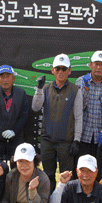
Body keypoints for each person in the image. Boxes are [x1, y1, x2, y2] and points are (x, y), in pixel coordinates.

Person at [31, 53, 83, 190]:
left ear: (69, 71)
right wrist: (39, 89)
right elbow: (35, 107)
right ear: (52, 70)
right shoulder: (45, 88)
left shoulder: (75, 90)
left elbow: (78, 117)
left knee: (67, 176)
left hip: (66, 142)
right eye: (57, 69)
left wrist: (76, 140)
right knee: (48, 174)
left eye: (64, 69)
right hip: (47, 140)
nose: (60, 72)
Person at [75, 51, 102, 181]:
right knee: (81, 172)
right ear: (90, 65)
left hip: (101, 138)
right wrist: (86, 91)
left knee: (98, 173)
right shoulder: (81, 81)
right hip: (84, 135)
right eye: (96, 64)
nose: (98, 67)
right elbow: (79, 109)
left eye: (101, 64)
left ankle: (97, 200)